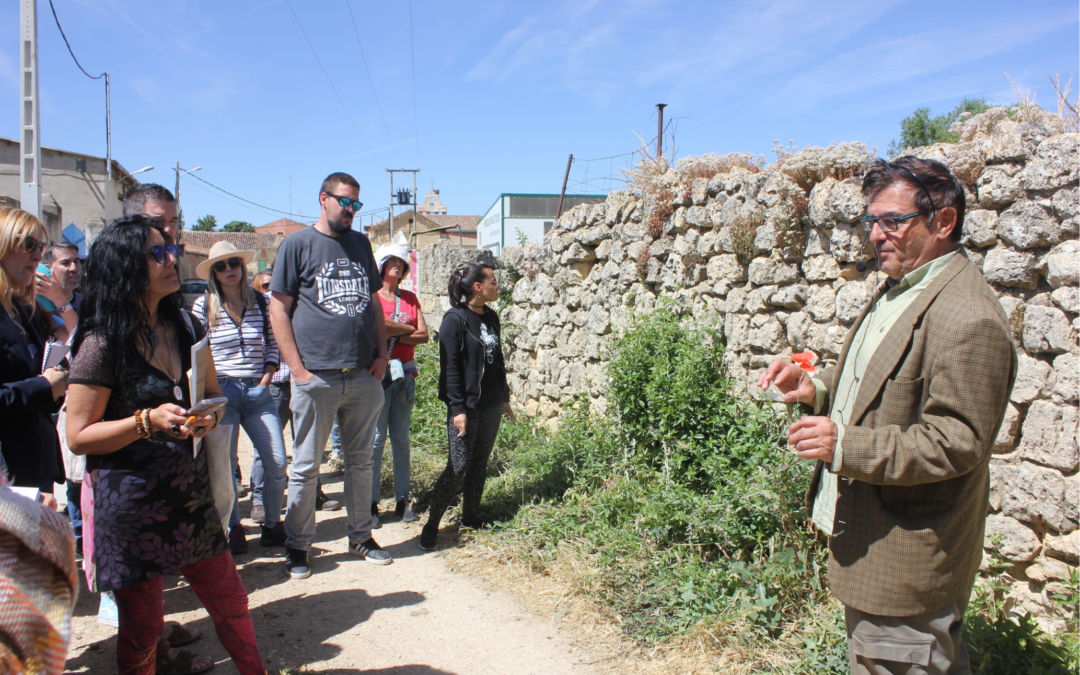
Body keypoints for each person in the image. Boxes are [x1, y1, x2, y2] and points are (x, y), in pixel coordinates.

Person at [758, 157, 1017, 675]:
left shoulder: (967, 316)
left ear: (943, 222)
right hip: (877, 549)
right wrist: (817, 388)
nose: (876, 235)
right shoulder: (903, 288)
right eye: (870, 221)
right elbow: (875, 382)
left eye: (892, 221)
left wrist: (845, 446)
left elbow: (959, 440)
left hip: (909, 562)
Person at [66, 215, 266, 675]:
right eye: (157, 253)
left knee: (231, 599)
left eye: (170, 248)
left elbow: (212, 396)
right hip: (132, 504)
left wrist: (206, 416)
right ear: (126, 269)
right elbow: (78, 436)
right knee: (143, 626)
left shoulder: (185, 326)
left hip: (188, 495)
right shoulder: (102, 343)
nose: (171, 258)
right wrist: (145, 420)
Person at [268, 172, 390, 578]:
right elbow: (279, 309)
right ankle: (299, 545)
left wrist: (382, 355)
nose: (352, 210)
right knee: (306, 467)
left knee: (361, 463)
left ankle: (361, 536)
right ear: (324, 199)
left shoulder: (360, 243)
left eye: (356, 203)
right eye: (345, 202)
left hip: (361, 374)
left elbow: (374, 304)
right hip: (315, 376)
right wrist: (297, 370)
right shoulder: (297, 245)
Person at [191, 242, 288, 554]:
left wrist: (267, 375)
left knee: (275, 460)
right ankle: (233, 528)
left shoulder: (261, 301)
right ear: (213, 273)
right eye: (220, 266)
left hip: (258, 391)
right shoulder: (202, 307)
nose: (229, 270)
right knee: (224, 467)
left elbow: (274, 343)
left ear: (243, 267)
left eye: (233, 263)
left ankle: (272, 523)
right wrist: (211, 390)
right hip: (221, 392)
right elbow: (197, 354)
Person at [419, 263, 514, 551]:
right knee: (458, 466)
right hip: (466, 406)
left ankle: (471, 519)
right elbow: (450, 370)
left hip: (491, 403)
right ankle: (431, 524)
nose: (497, 287)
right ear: (478, 287)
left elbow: (496, 361)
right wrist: (457, 408)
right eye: (493, 282)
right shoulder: (454, 319)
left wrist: (505, 397)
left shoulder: (492, 316)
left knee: (478, 463)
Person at [0, 207, 67, 492]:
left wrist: (55, 386)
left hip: (37, 466)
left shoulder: (25, 312)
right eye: (29, 245)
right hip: (8, 474)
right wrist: (42, 387)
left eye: (42, 247)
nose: (39, 255)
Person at [370, 233, 428, 524]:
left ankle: (402, 499)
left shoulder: (410, 298)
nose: (397, 265)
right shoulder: (371, 298)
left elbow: (425, 335)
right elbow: (372, 331)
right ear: (381, 264)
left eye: (401, 262)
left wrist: (393, 328)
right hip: (377, 376)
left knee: (401, 439)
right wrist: (404, 329)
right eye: (391, 260)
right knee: (377, 439)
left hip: (404, 374)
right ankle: (371, 503)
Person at [35, 239, 81, 340]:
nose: (74, 268)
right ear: (48, 268)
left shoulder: (89, 305)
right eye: (65, 263)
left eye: (77, 262)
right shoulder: (39, 308)